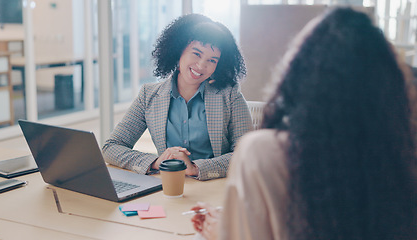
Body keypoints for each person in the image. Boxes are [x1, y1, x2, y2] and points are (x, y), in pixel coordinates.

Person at [191, 7, 417, 239]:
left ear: (298, 75)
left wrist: (226, 230)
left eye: (211, 59)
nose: (201, 65)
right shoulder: (399, 158)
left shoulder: (263, 152)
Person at [102, 14, 252, 181]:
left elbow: (246, 154)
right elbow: (111, 147)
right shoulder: (148, 95)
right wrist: (155, 162)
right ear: (179, 50)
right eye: (196, 53)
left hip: (215, 187)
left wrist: (196, 168)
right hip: (168, 187)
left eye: (212, 60)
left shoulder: (230, 95)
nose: (201, 65)